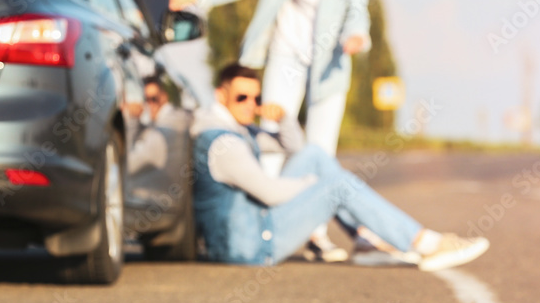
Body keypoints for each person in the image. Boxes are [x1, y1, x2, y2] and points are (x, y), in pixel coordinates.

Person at [170, 0, 369, 262]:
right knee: (269, 137)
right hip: (285, 54)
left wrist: (356, 37)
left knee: (319, 149)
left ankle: (316, 233)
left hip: (329, 64)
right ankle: (261, 217)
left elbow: (358, 12)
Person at [191, 64, 490, 271]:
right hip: (250, 246)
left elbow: (294, 148)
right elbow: (269, 193)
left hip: (252, 227)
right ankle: (425, 243)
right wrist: (315, 186)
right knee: (338, 185)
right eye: (242, 97)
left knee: (314, 155)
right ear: (221, 95)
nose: (250, 104)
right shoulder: (224, 144)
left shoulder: (236, 129)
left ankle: (363, 242)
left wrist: (284, 119)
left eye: (255, 98)